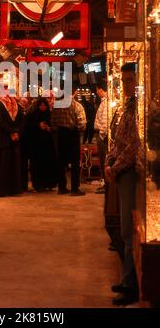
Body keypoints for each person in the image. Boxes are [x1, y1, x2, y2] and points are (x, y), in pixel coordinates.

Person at [105, 62, 140, 306]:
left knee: (128, 230)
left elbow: (133, 146)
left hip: (129, 173)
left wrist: (114, 166)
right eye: (124, 80)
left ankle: (130, 286)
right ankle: (127, 278)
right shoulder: (126, 107)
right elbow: (119, 139)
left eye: (130, 80)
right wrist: (109, 159)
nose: (127, 84)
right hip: (120, 171)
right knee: (126, 229)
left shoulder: (138, 108)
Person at [51, 83, 86, 196]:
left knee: (61, 162)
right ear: (74, 91)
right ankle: (75, 189)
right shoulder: (77, 106)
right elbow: (82, 124)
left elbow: (53, 122)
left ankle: (62, 187)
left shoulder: (57, 105)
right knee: (75, 162)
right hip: (73, 134)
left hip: (61, 134)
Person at [26, 97, 58, 192]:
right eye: (41, 105)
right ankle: (38, 185)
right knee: (37, 165)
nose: (43, 107)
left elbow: (55, 126)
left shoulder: (50, 115)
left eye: (44, 105)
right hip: (37, 145)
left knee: (48, 164)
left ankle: (49, 183)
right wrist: (38, 126)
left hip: (48, 144)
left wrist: (50, 129)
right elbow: (28, 126)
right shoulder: (33, 115)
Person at [94, 80, 108, 194]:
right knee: (103, 160)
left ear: (100, 90)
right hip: (101, 135)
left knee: (104, 160)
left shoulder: (106, 102)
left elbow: (104, 122)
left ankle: (106, 184)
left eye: (97, 90)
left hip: (102, 136)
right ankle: (105, 183)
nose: (96, 92)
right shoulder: (104, 102)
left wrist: (102, 135)